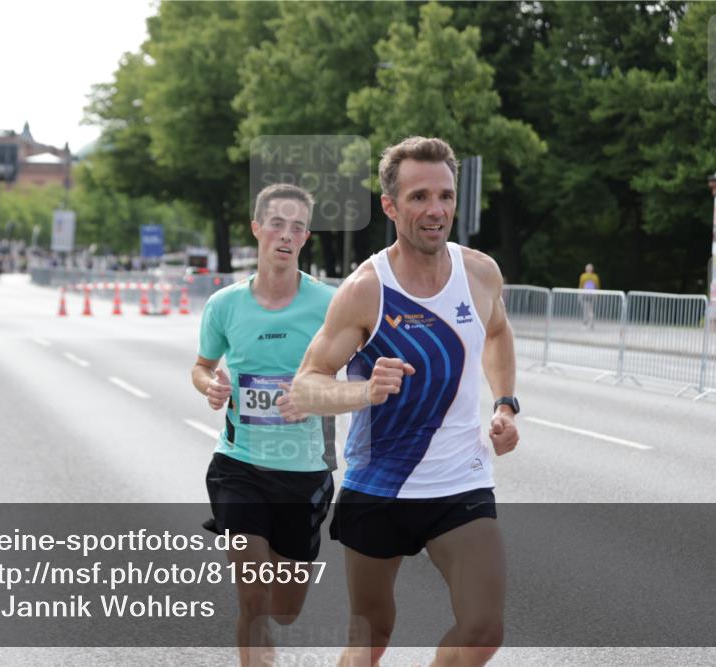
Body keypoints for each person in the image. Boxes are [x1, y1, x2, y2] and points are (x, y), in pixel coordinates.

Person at [279, 137, 519, 667]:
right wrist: (364, 391)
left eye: (445, 196)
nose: (436, 210)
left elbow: (498, 332)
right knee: (372, 636)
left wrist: (505, 404)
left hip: (461, 484)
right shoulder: (366, 289)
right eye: (419, 197)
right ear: (390, 206)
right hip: (379, 488)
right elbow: (306, 385)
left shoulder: (480, 273)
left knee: (483, 629)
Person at [190, 182, 336, 666]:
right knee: (252, 596)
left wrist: (315, 397)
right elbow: (202, 365)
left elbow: (356, 380)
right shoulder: (225, 304)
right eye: (276, 224)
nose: (286, 235)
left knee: (285, 610)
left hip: (303, 472)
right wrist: (210, 385)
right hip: (239, 465)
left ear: (306, 237)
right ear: (257, 228)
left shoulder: (329, 305)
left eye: (297, 227)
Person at [578, 263, 600, 329]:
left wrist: (579, 294)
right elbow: (597, 286)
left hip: (585, 294)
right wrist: (597, 295)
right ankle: (591, 322)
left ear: (586, 269)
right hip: (592, 294)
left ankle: (585, 323)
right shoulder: (595, 276)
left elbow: (581, 286)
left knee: (586, 310)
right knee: (590, 309)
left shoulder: (583, 276)